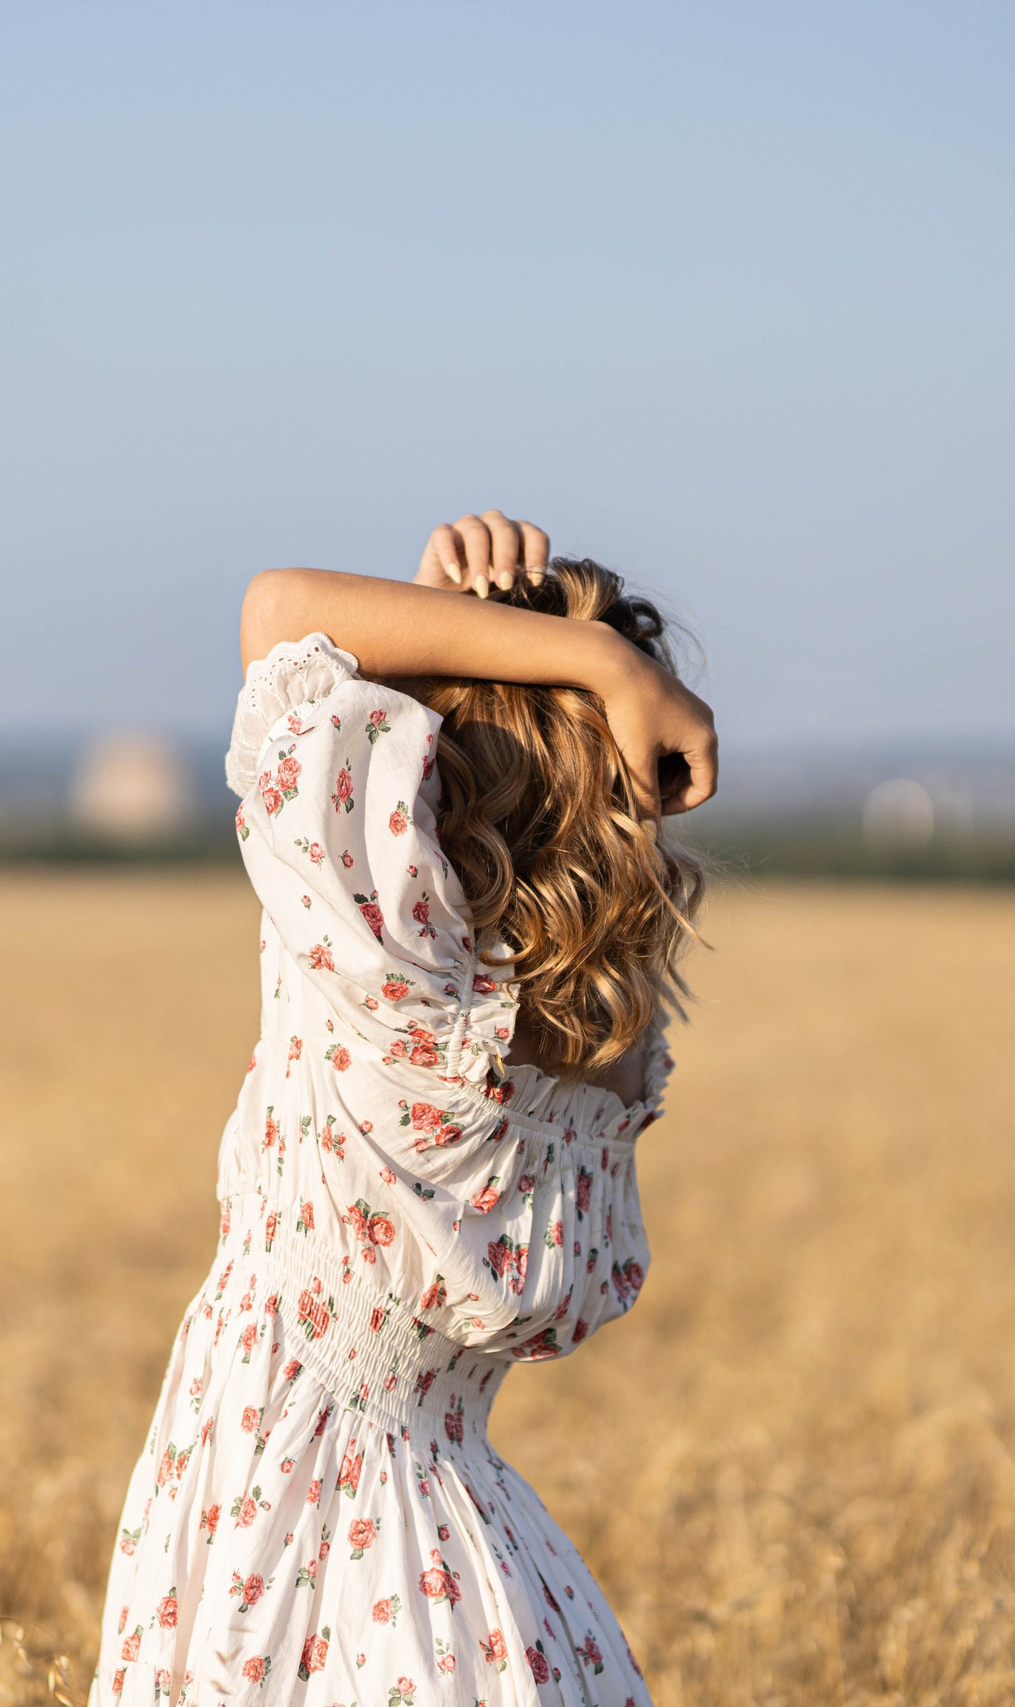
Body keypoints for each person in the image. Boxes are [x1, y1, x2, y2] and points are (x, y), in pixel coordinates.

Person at [92, 512, 717, 1706]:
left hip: (276, 1555)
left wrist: (597, 662)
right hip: (477, 1593)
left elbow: (283, 616)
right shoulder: (593, 1058)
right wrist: (508, 653)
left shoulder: (383, 974)